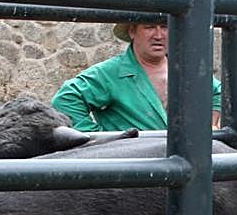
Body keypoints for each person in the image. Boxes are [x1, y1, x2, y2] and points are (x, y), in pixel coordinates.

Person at [52, 21, 222, 132]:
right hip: (134, 171)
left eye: (164, 26)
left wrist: (211, 123)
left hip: (183, 166)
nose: (158, 35)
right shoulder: (111, 72)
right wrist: (97, 139)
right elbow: (66, 99)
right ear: (132, 31)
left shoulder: (184, 70)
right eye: (149, 26)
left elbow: (218, 92)